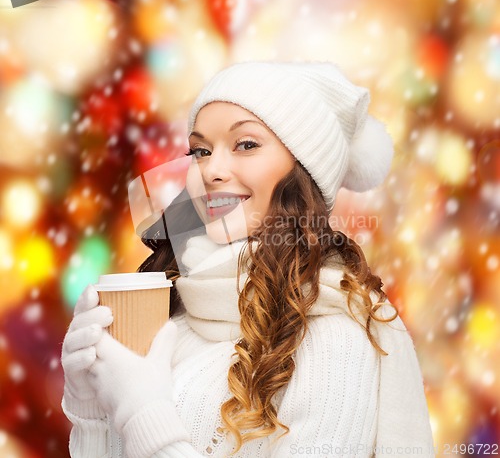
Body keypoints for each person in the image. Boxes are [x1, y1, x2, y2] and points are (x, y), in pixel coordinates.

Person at [61, 61, 435, 457]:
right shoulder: (179, 311)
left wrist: (143, 413)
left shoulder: (333, 339)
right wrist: (90, 405)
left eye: (246, 144)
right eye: (201, 150)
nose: (212, 171)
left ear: (302, 172)